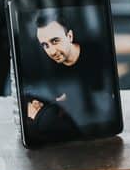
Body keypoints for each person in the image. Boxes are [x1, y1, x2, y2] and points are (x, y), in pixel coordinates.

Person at [25, 10, 103, 141]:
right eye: (45, 45)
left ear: (70, 36)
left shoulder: (97, 57)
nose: (51, 51)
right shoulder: (48, 69)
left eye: (55, 41)